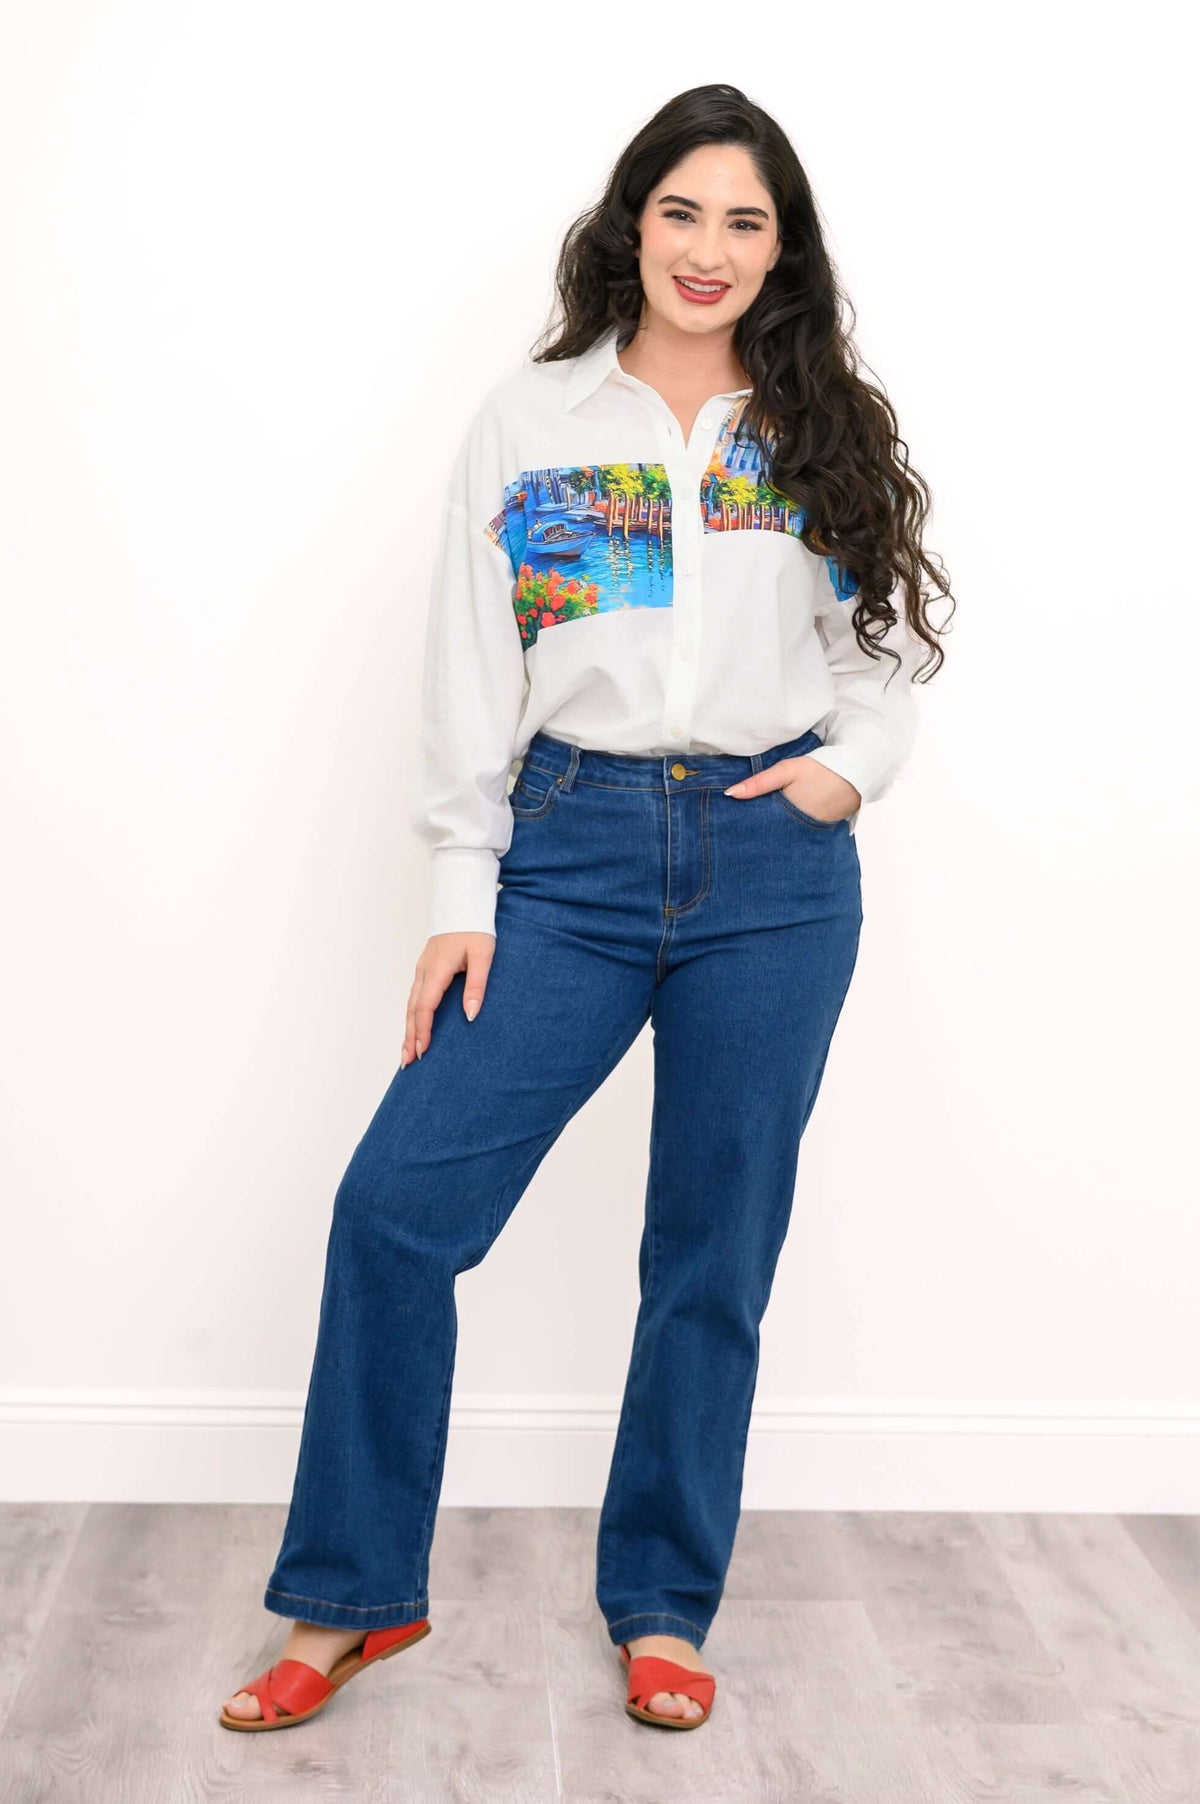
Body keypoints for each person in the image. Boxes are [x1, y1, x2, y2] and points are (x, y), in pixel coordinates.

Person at [219, 81, 951, 1736]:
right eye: (683, 211)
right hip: (569, 852)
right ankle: (350, 1597)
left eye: (747, 221)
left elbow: (883, 650)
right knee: (396, 1208)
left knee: (713, 1250)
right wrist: (460, 887)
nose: (710, 249)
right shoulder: (534, 418)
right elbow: (473, 665)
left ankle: (663, 1605)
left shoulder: (816, 423)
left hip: (773, 874)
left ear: (783, 249)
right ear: (634, 223)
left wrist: (849, 773)